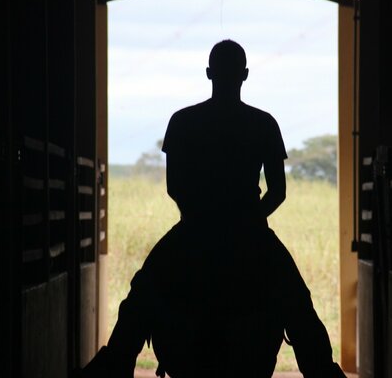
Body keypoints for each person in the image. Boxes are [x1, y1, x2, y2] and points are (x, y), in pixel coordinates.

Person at [81, 40, 346, 378]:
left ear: (209, 73)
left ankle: (114, 363)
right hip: (251, 232)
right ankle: (322, 370)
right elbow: (278, 192)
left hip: (194, 229)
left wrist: (202, 218)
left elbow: (174, 187)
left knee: (142, 293)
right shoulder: (264, 124)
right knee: (296, 300)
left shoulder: (183, 121)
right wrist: (247, 220)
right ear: (245, 75)